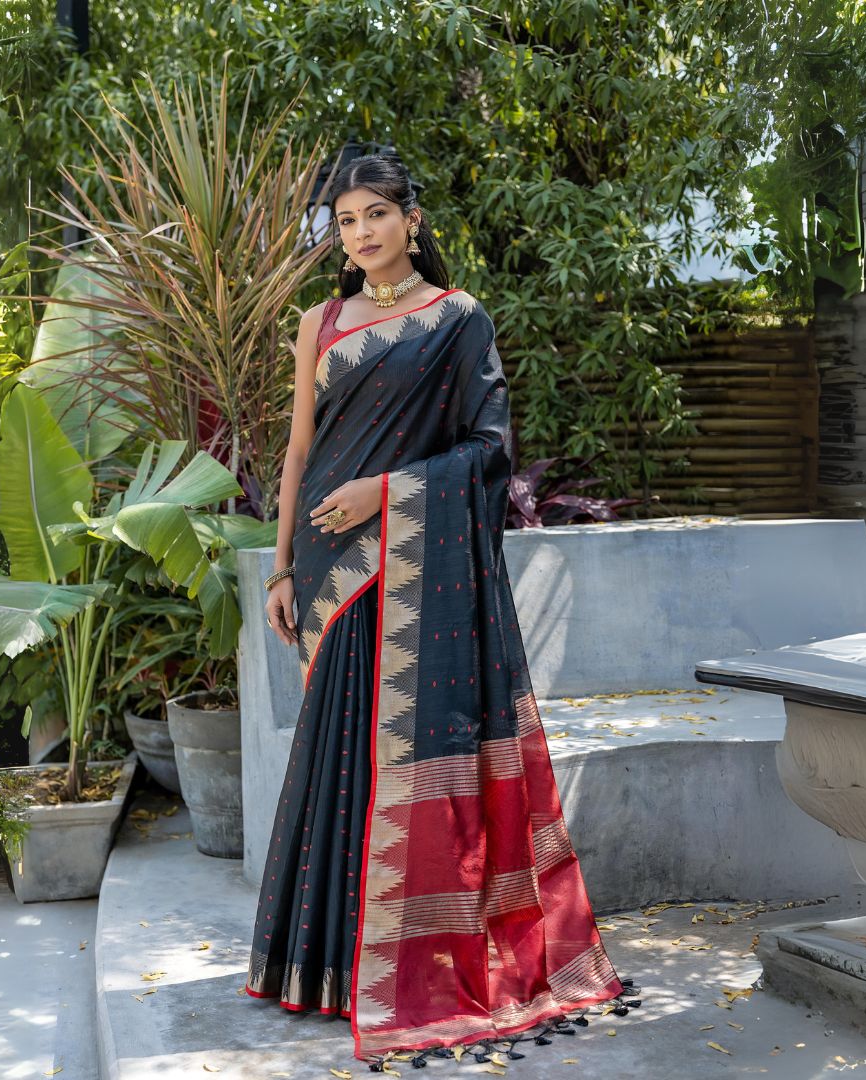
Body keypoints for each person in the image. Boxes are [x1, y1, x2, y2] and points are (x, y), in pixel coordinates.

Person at [244, 153, 641, 1067]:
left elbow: (488, 452)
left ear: (412, 220)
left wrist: (387, 492)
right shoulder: (321, 322)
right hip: (329, 570)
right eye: (344, 221)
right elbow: (299, 453)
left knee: (405, 752)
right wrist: (278, 570)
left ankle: (409, 966)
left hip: (412, 560)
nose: (361, 234)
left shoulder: (458, 321)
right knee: (341, 752)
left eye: (376, 213)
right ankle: (331, 967)